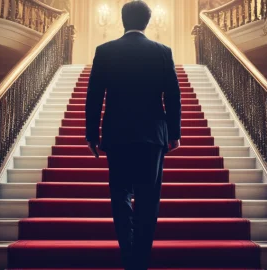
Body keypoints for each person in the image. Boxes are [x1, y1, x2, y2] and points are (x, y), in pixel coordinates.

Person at [85, 1, 181, 270]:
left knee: (120, 195)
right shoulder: (162, 51)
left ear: (123, 20)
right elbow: (173, 95)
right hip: (152, 136)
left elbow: (94, 95)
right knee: (148, 199)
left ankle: (128, 257)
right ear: (147, 22)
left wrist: (91, 134)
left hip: (117, 135)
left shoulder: (105, 51)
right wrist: (175, 133)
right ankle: (141, 260)